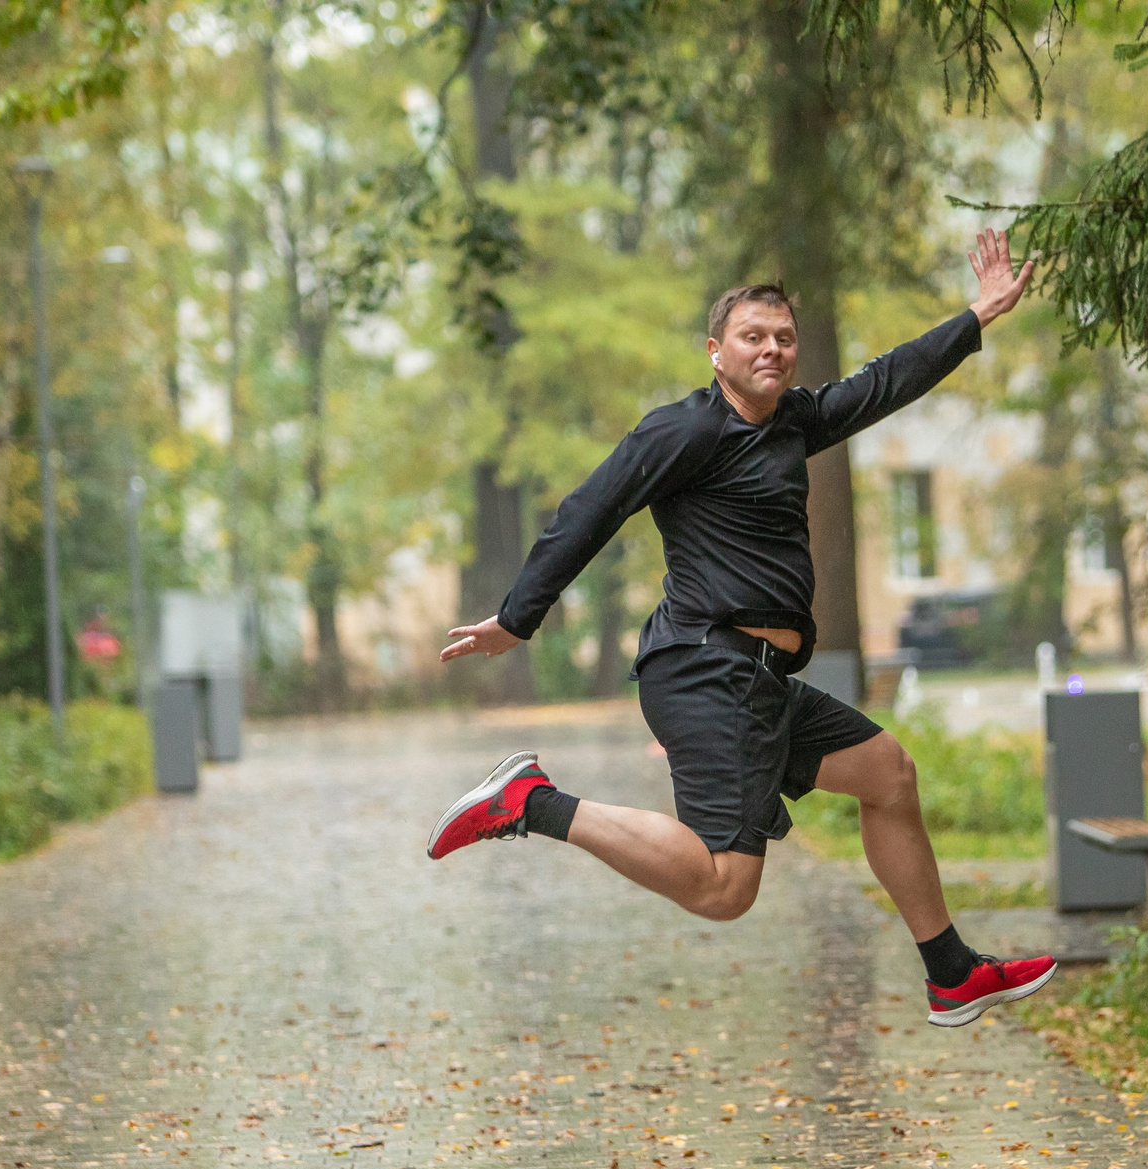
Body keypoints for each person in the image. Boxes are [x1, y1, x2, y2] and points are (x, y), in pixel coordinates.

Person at [427, 229, 1056, 1028]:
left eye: (784, 338)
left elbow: (887, 381)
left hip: (759, 679)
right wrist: (519, 619)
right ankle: (530, 800)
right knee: (725, 888)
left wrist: (979, 315)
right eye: (754, 337)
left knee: (889, 776)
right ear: (716, 351)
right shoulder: (683, 432)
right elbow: (591, 508)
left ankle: (951, 973)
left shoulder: (792, 424)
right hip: (703, 669)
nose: (773, 349)